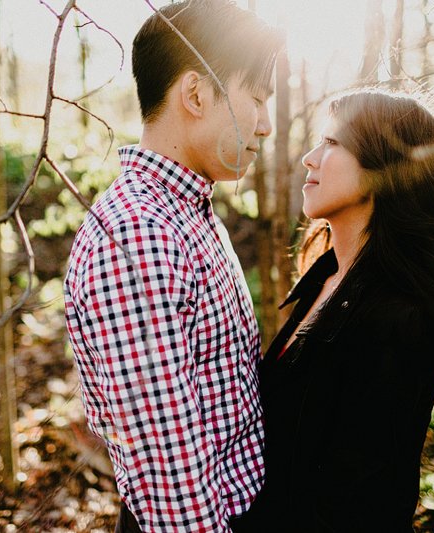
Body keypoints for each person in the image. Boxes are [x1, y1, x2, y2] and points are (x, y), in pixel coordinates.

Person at [62, 2, 283, 531]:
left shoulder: (187, 212)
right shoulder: (137, 234)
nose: (268, 126)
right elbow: (169, 478)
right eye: (256, 98)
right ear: (195, 95)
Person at [241, 89, 434, 532]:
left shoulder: (402, 318)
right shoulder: (323, 278)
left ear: (384, 168)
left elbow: (361, 504)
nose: (309, 159)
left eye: (332, 144)